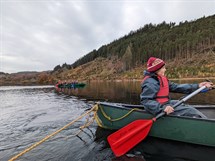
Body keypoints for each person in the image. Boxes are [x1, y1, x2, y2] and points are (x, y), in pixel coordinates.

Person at [140, 57, 213, 118]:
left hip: (166, 103)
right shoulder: (150, 82)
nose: (165, 70)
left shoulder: (161, 78)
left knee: (185, 106)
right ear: (156, 69)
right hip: (160, 107)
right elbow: (146, 101)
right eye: (163, 68)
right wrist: (162, 108)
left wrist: (198, 86)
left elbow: (178, 87)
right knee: (191, 112)